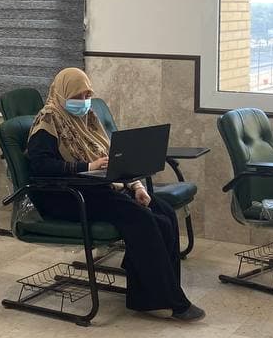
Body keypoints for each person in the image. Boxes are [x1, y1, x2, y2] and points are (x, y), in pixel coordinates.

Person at [27, 68, 205, 321]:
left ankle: (146, 296)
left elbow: (114, 160)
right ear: (62, 94)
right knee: (141, 219)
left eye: (87, 95)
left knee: (163, 212)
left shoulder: (88, 118)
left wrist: (137, 187)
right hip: (65, 196)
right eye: (77, 96)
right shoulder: (48, 121)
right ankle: (172, 301)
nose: (84, 101)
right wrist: (88, 166)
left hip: (96, 189)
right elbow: (41, 167)